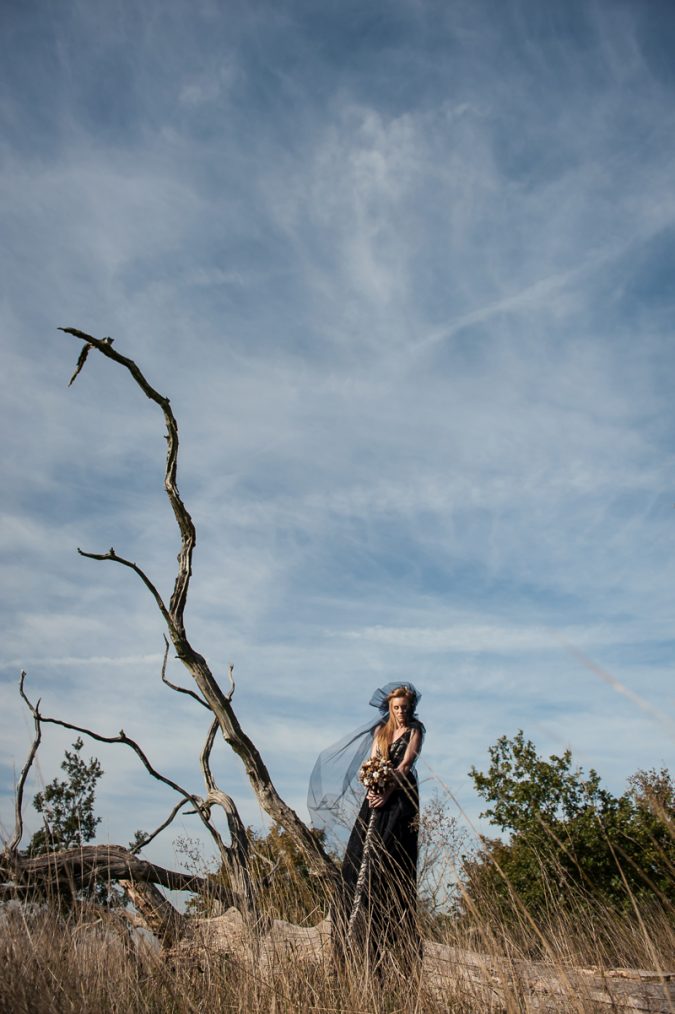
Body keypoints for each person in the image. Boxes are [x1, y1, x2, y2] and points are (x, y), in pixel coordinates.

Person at [308, 682, 425, 974]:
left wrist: (387, 791)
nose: (400, 712)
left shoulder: (415, 731)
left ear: (411, 708)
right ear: (389, 708)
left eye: (404, 708)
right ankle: (351, 941)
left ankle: (392, 940)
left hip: (400, 798)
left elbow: (405, 766)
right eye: (396, 708)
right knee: (357, 861)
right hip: (375, 799)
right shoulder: (380, 732)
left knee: (389, 856)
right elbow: (373, 762)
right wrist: (372, 785)